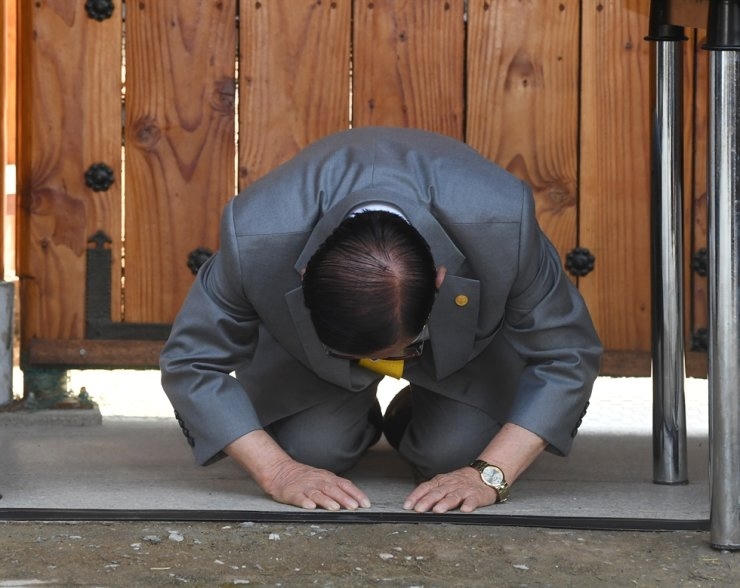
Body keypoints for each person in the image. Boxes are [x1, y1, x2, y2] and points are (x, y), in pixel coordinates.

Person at [160, 126, 602, 514]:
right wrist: (278, 472)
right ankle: (351, 412)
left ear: (440, 282)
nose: (390, 363)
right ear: (305, 277)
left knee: (456, 454)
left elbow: (567, 354)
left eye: (405, 348)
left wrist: (490, 475)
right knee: (311, 450)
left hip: (463, 355)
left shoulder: (502, 219)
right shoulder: (254, 232)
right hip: (311, 366)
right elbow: (191, 361)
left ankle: (418, 411)